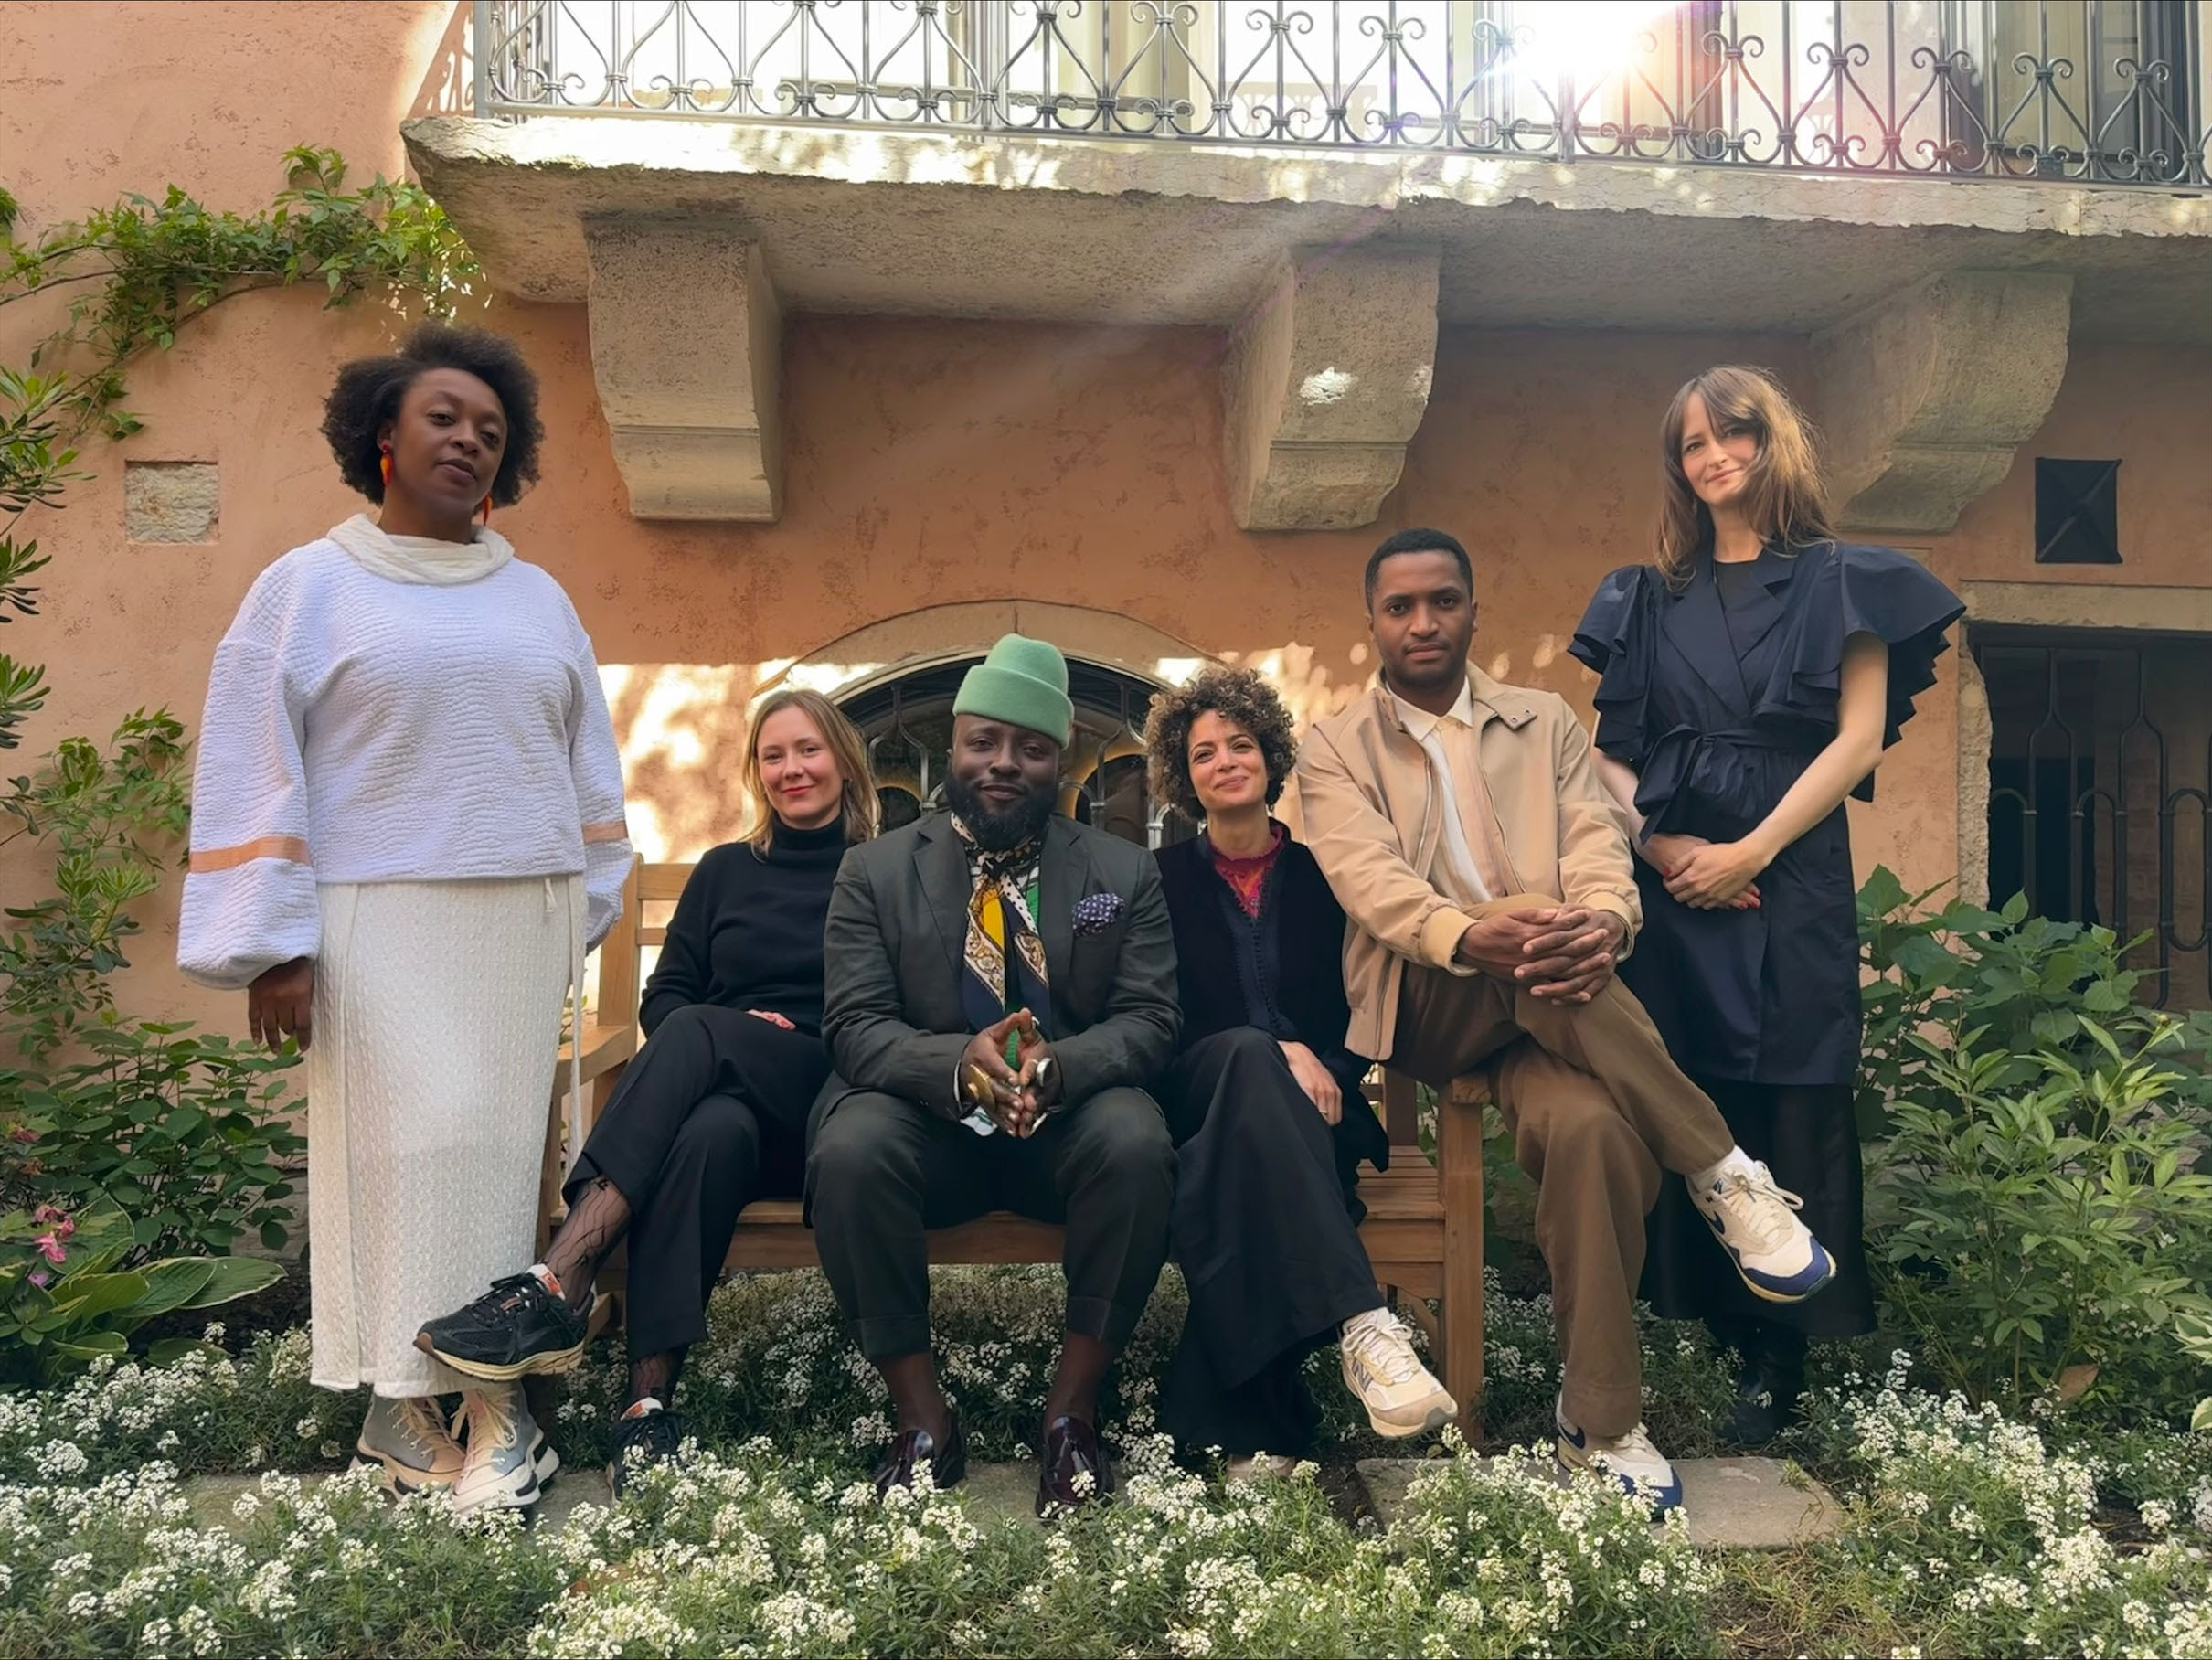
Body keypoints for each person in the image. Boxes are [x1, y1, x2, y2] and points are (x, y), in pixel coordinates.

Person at [178, 324, 631, 1514]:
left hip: (515, 929)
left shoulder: (537, 599)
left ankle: (442, 1412)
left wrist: (578, 909)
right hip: (375, 926)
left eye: (491, 429)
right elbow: (253, 761)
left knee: (486, 1168)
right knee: (401, 1161)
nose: (469, 440)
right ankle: (451, 1403)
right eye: (444, 418)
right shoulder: (308, 586)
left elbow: (587, 762)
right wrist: (274, 940)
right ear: (385, 436)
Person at [1296, 526, 1840, 1514]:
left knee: (1592, 1134)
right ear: (1372, 619)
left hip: (1552, 993)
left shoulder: (1541, 721)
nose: (1423, 621)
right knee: (1523, 932)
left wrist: (1601, 918)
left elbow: (1595, 842)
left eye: (1442, 601)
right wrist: (1473, 933)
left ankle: (1598, 1422)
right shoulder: (1333, 745)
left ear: (1471, 608)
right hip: (1431, 997)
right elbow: (1367, 881)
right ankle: (1722, 1174)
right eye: (1400, 606)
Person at [1570, 366, 1963, 1444]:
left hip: (1788, 873)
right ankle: (1712, 1334)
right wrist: (1664, 845)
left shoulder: (1848, 580)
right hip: (1680, 875)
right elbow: (1608, 758)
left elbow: (1853, 739)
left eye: (1729, 434)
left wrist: (1749, 846)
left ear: (1768, 441)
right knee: (1690, 1090)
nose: (1710, 458)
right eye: (1689, 444)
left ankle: (1780, 1354)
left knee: (1791, 1088)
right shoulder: (1644, 596)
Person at [414, 689, 879, 1490]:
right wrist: (733, 1032)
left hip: (833, 1098)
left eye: (807, 750)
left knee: (702, 1029)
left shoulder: (883, 868)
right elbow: (664, 997)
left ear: (843, 757)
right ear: (756, 771)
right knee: (702, 1133)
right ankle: (647, 1406)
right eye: (773, 756)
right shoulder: (726, 871)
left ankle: (558, 1278)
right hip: (734, 1110)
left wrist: (749, 1032)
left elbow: (901, 1011)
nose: (791, 769)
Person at [807, 633, 1179, 1517]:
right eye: (984, 742)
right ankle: (922, 1416)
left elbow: (1151, 1019)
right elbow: (854, 1027)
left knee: (1136, 1138)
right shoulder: (874, 870)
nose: (1004, 763)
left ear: (1061, 759)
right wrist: (958, 1065)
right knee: (850, 1145)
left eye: (1031, 747)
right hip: (931, 1133)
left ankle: (1071, 1414)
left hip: (1063, 1131)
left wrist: (1060, 1065)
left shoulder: (1120, 872)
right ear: (956, 746)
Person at [1145, 666, 1454, 1479]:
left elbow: (1369, 1003)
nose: (1224, 761)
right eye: (1203, 752)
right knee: (1251, 1059)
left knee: (1244, 1176)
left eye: (1240, 744)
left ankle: (1258, 1431)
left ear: (1270, 757)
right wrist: (1277, 1048)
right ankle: (1362, 1325)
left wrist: (1333, 1065)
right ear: (1186, 776)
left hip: (1321, 1115)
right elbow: (1156, 1014)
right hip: (1198, 1100)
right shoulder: (1157, 883)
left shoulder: (1331, 877)